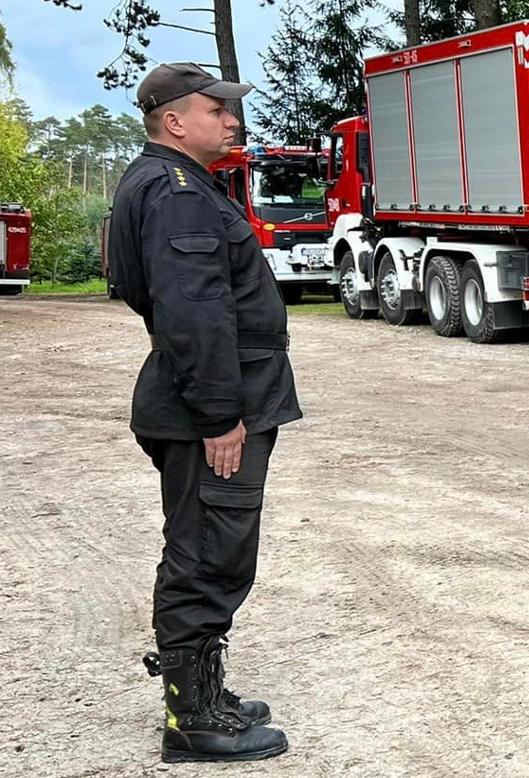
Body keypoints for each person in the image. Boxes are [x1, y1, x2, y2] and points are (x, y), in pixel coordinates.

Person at [107, 62, 294, 762]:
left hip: (207, 399)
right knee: (208, 554)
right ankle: (194, 720)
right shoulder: (178, 191)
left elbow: (139, 288)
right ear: (175, 121)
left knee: (209, 545)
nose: (231, 119)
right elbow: (191, 310)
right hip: (212, 411)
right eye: (216, 109)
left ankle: (203, 691)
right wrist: (220, 415)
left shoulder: (166, 183)